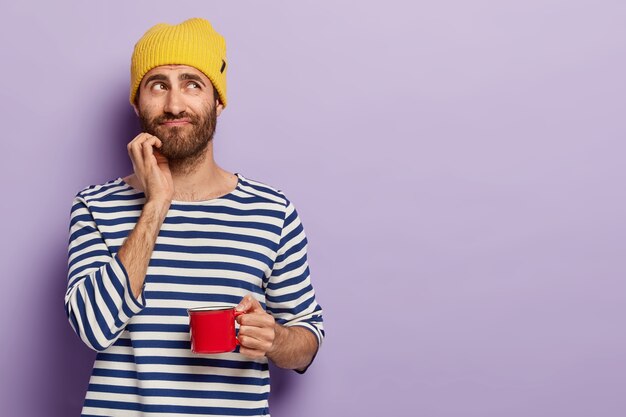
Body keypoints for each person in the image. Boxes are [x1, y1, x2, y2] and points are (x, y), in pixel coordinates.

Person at [64, 17, 324, 417]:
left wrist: (274, 339)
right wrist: (156, 204)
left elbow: (307, 341)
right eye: (158, 85)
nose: (174, 104)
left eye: (192, 83)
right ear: (137, 102)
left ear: (218, 100)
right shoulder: (95, 207)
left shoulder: (273, 211)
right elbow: (94, 329)